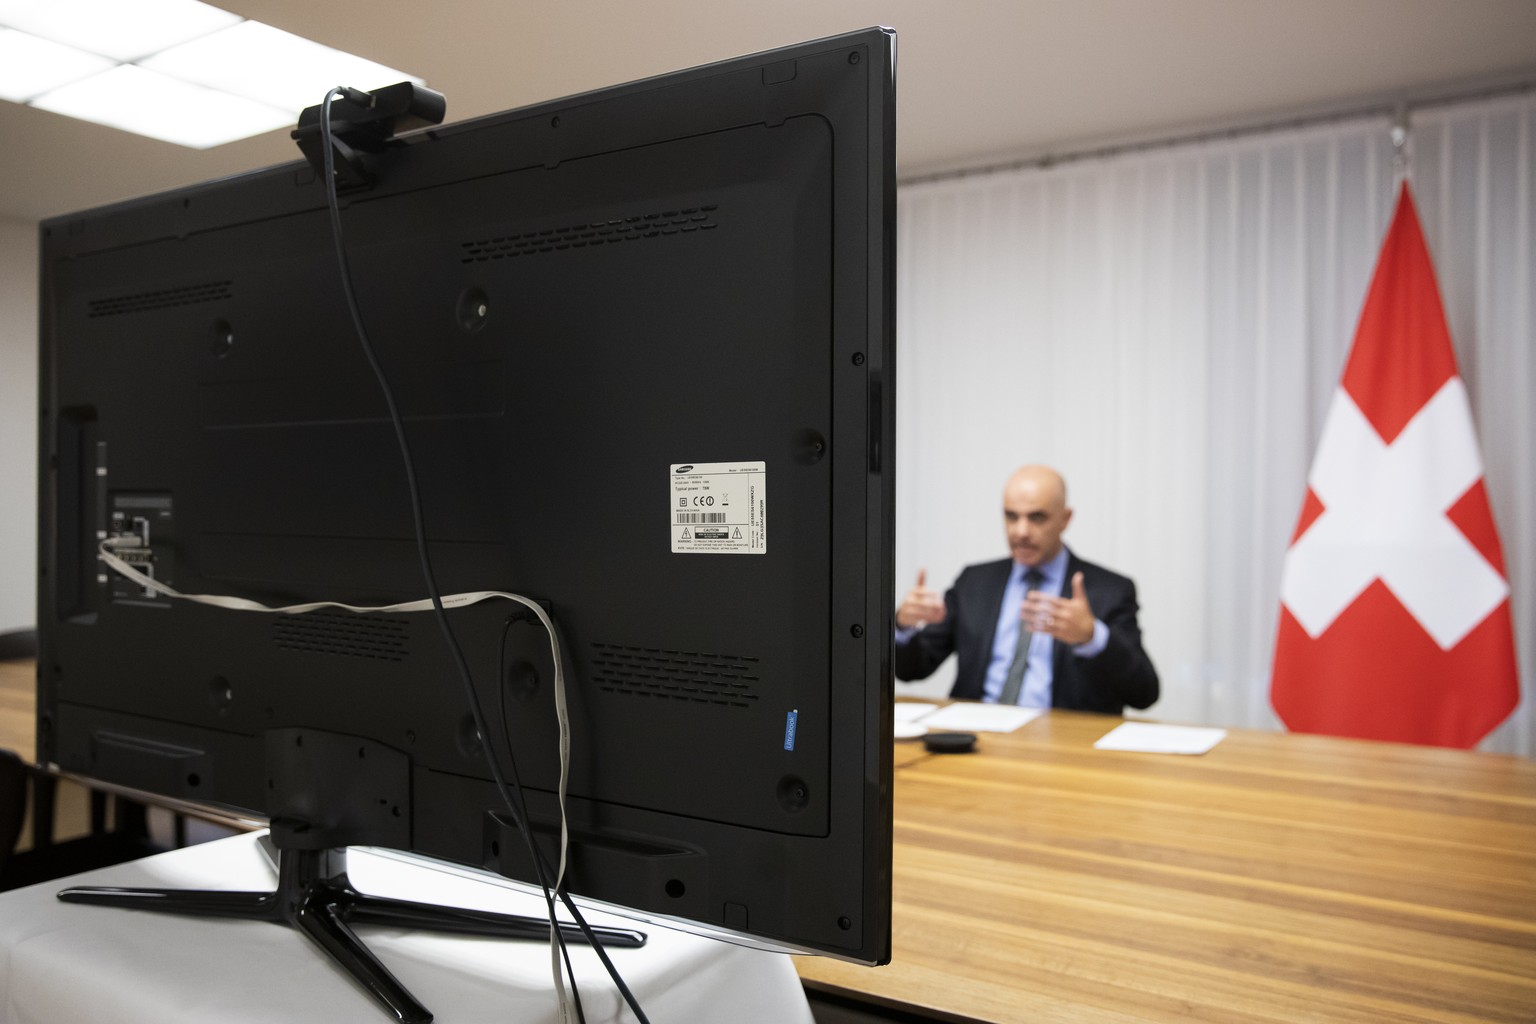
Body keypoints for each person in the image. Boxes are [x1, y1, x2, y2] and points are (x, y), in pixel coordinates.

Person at [894, 464, 1158, 714]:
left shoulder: (1108, 590)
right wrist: (902, 627)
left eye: (1037, 518)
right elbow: (911, 669)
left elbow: (1144, 694)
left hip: (1061, 745)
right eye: (1011, 516)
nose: (1021, 531)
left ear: (1065, 519)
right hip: (975, 737)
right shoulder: (974, 582)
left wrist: (1093, 638)